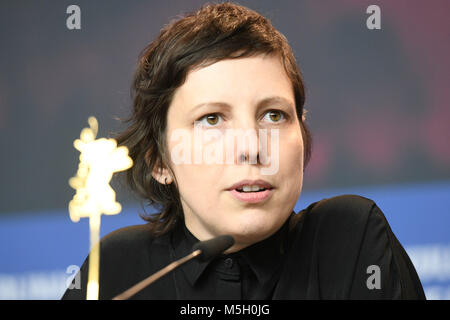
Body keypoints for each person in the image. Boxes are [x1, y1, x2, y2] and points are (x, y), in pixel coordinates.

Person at [62, 2, 425, 300]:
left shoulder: (347, 239)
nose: (252, 147)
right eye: (212, 119)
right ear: (159, 160)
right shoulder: (118, 270)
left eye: (273, 115)